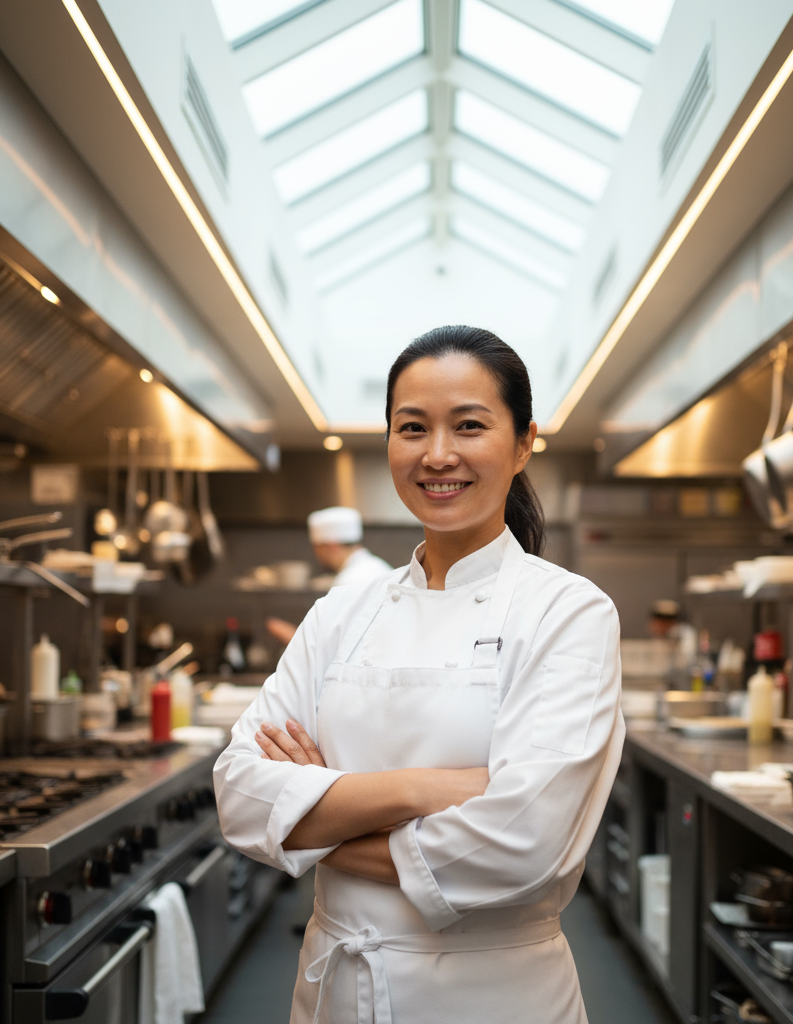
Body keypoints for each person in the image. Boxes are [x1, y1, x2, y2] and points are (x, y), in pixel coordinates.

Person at [214, 325, 623, 1024]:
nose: (438, 455)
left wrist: (315, 828)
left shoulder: (568, 611)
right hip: (337, 993)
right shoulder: (341, 613)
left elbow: (527, 847)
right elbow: (243, 798)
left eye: (469, 426)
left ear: (523, 443)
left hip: (497, 998)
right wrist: (428, 788)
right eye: (413, 428)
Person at [267, 507, 392, 645]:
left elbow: (336, 646)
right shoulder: (377, 566)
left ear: (331, 546)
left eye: (317, 547)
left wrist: (291, 636)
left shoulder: (348, 582)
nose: (316, 555)